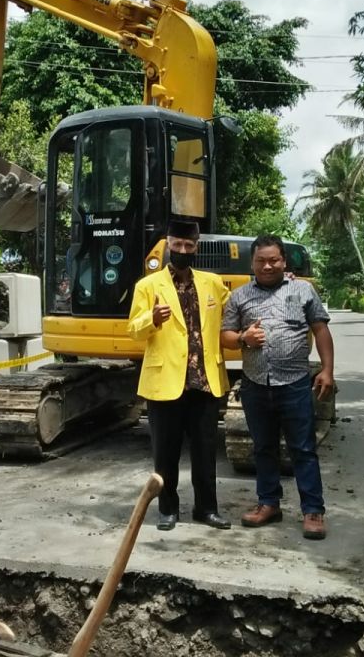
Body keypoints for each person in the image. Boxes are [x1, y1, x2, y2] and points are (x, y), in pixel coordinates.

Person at [221, 234, 335, 541]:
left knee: (303, 449)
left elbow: (321, 330)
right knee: (263, 448)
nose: (267, 266)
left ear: (283, 261)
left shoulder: (303, 290)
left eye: (273, 260)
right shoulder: (240, 296)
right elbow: (226, 336)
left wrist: (327, 370)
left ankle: (313, 510)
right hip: (256, 385)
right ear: (253, 263)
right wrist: (244, 337)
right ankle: (268, 503)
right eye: (261, 260)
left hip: (295, 384)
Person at [127, 218, 231, 532]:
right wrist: (151, 319)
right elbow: (133, 330)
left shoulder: (212, 283)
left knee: (205, 451)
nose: (183, 250)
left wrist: (288, 280)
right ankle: (168, 509)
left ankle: (206, 509)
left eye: (189, 246)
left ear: (196, 247)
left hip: (204, 381)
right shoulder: (148, 286)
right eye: (177, 245)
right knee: (165, 452)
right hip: (165, 383)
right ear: (168, 244)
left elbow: (236, 306)